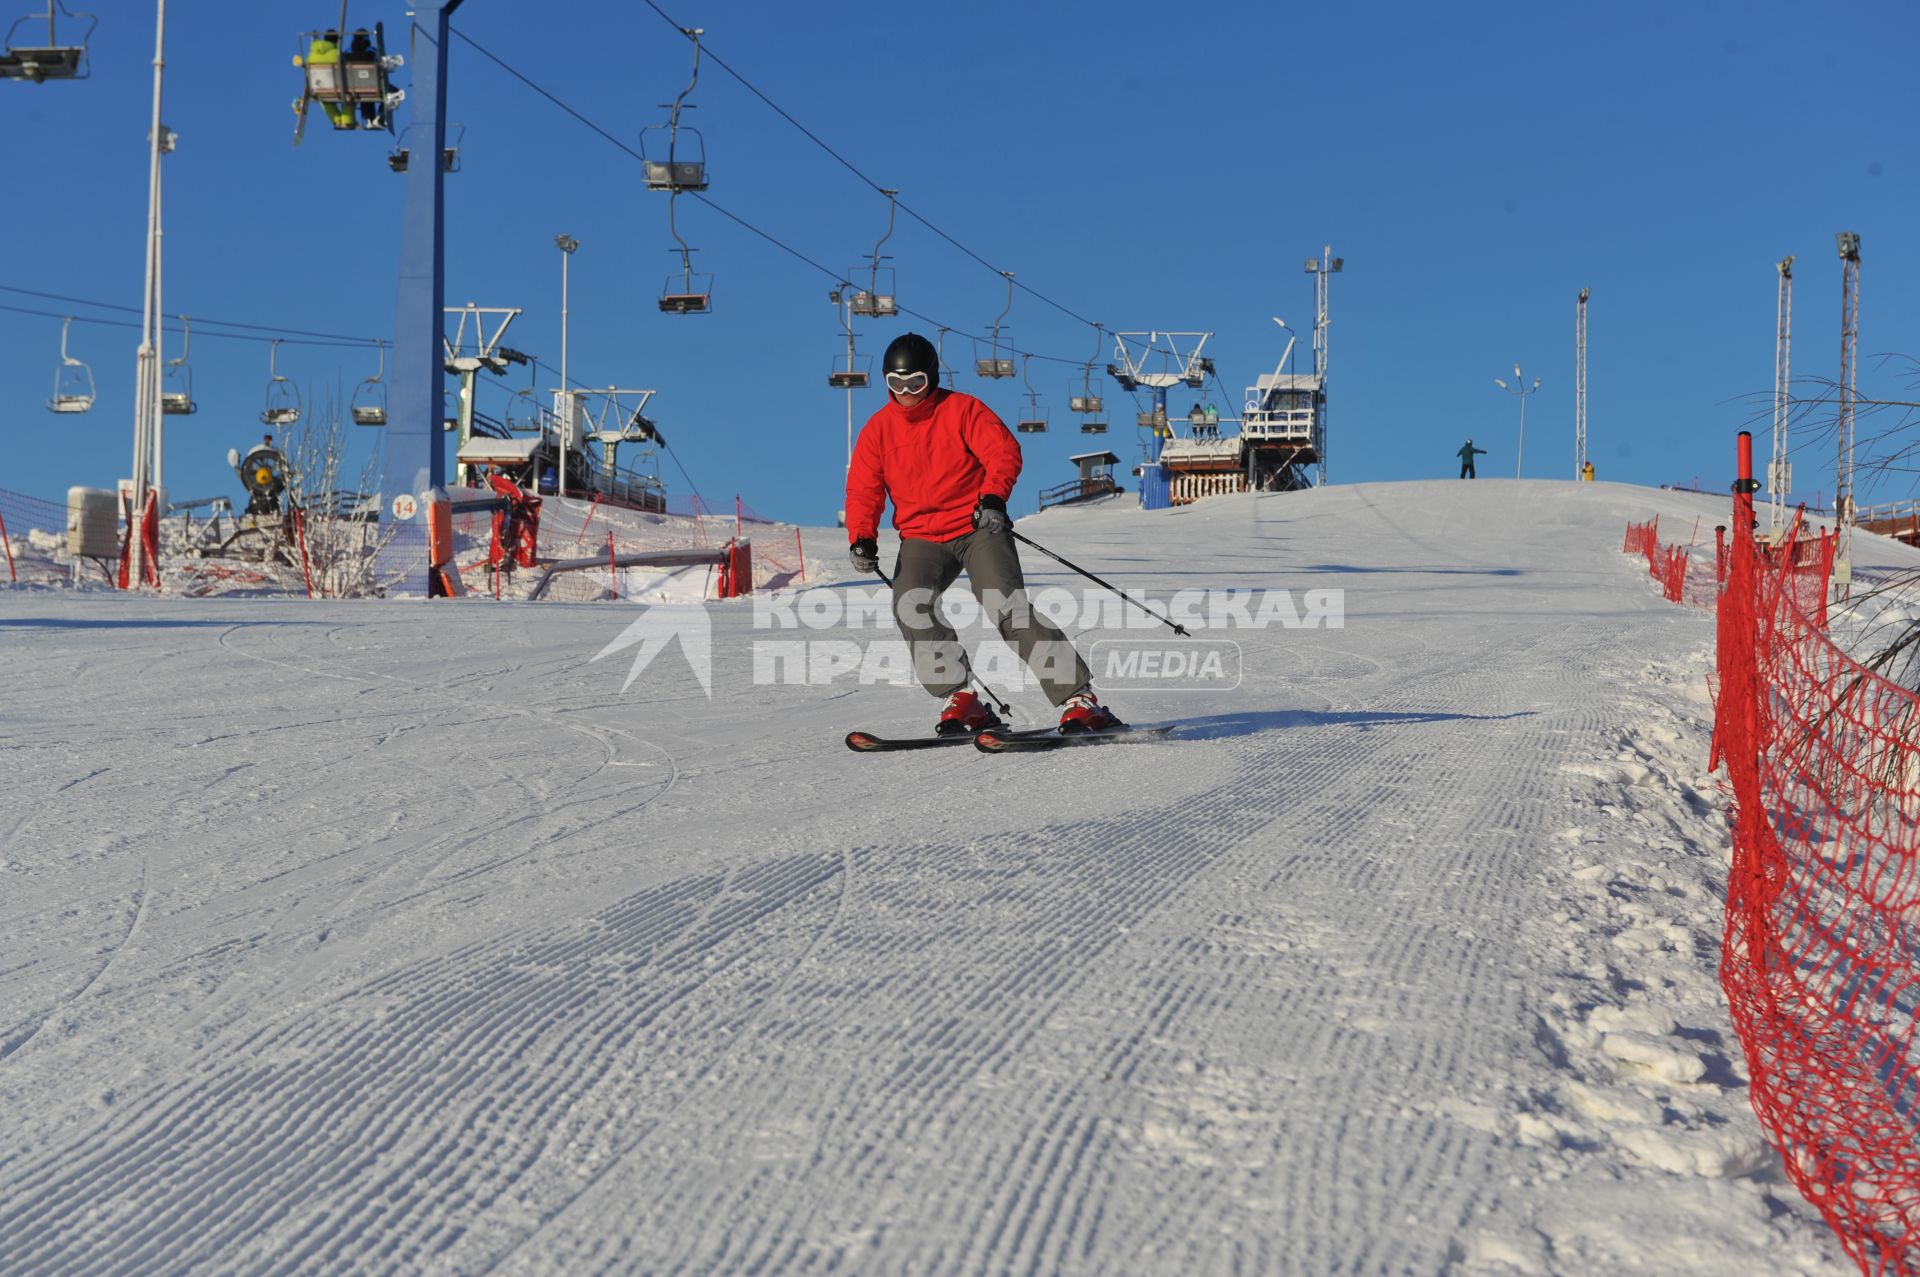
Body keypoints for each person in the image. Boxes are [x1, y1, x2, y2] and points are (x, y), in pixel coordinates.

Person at [846, 332, 1121, 736]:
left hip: (976, 525)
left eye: (916, 382)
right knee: (910, 604)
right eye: (896, 384)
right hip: (921, 535)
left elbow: (1002, 451)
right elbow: (864, 489)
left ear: (933, 378)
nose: (906, 393)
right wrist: (861, 537)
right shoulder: (878, 430)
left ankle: (1080, 699)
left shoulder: (963, 410)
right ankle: (961, 699)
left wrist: (993, 499)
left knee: (1005, 604)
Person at [343, 29, 382, 128]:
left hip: (353, 86)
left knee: (363, 93)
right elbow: (379, 62)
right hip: (371, 85)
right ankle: (381, 116)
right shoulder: (371, 51)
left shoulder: (347, 52)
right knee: (391, 92)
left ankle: (367, 118)